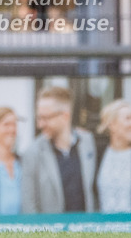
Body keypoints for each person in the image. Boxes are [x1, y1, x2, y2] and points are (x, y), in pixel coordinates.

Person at [20, 86, 96, 214]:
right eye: (39, 118)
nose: (40, 124)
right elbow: (29, 207)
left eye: (45, 118)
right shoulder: (32, 153)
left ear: (65, 116)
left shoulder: (87, 142)